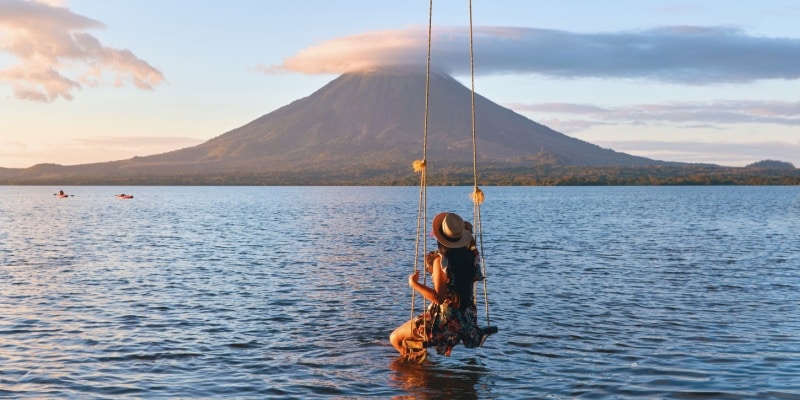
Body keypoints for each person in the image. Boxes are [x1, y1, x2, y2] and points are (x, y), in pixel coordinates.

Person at [390, 212, 486, 360]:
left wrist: (414, 284)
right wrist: (467, 232)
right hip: (466, 322)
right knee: (406, 340)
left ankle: (416, 371)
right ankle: (421, 371)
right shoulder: (471, 256)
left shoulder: (441, 262)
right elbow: (472, 245)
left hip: (444, 324)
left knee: (395, 338)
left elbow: (439, 298)